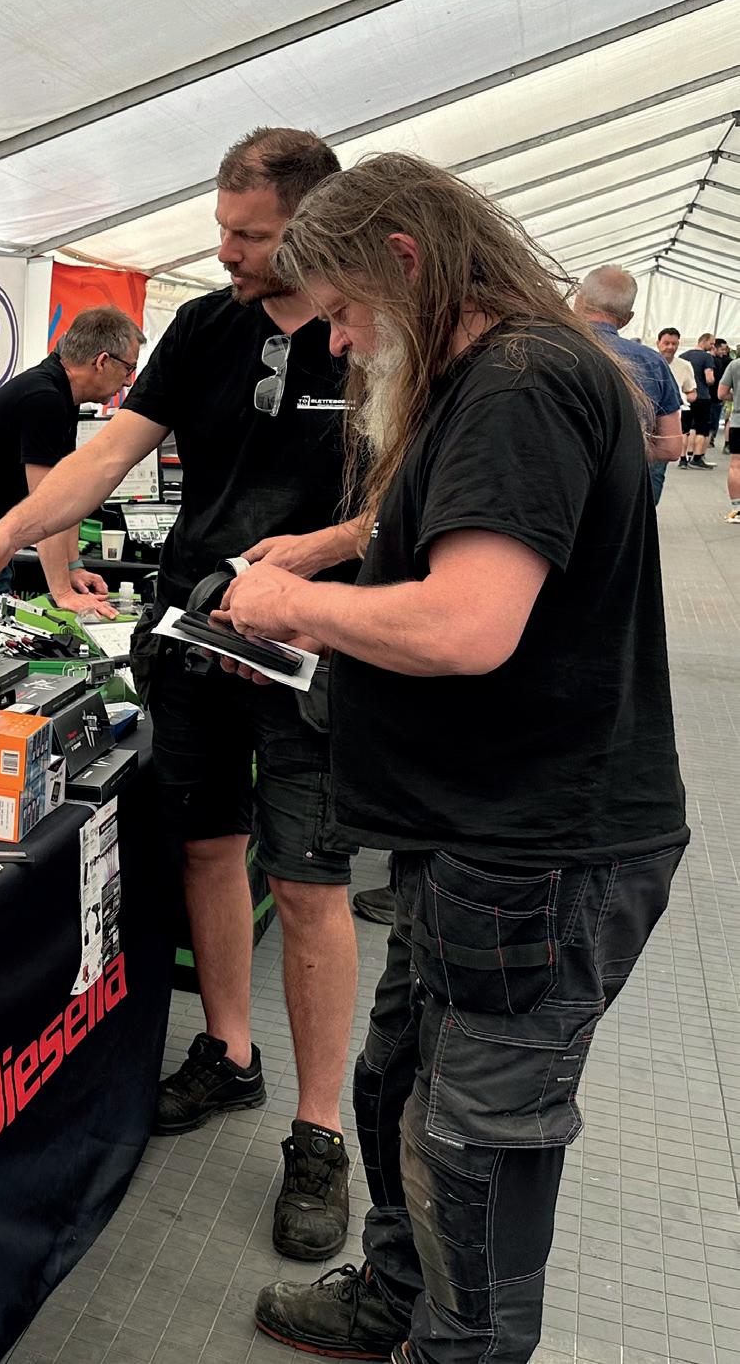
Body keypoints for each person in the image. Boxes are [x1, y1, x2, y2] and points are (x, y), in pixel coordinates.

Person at [211, 153, 686, 1364]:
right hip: (471, 833)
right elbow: (449, 527)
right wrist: (328, 573)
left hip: (541, 850)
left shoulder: (522, 381)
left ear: (406, 261)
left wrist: (293, 608)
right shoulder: (495, 375)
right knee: (397, 1084)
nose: (337, 342)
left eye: (345, 311)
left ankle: (455, 1346)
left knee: (475, 1144)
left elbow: (468, 623)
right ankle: (394, 1297)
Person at [0, 128, 366, 1262]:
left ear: (314, 228)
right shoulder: (205, 327)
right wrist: (4, 534)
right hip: (191, 635)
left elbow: (413, 499)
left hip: (312, 647)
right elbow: (104, 455)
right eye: (221, 228)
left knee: (307, 885)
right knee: (206, 849)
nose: (225, 251)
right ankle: (230, 1052)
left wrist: (318, 559)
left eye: (249, 235)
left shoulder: (373, 336)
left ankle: (320, 1132)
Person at [0, 306, 141, 629]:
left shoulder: (61, 391)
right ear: (102, 361)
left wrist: (73, 567)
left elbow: (68, 492)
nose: (128, 381)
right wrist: (62, 592)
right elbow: (48, 502)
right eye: (128, 368)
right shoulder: (44, 397)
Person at [572, 266, 682, 502]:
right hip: (623, 496)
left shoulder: (546, 349)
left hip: (556, 496)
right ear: (627, 319)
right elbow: (671, 447)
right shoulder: (652, 363)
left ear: (578, 301)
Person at [680, 332, 718, 469]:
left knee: (684, 429)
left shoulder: (683, 356)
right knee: (702, 429)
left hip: (686, 397)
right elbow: (709, 378)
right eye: (711, 343)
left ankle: (682, 459)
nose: (712, 346)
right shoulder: (707, 357)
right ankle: (696, 458)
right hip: (702, 397)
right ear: (704, 340)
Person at [722, 357, 740, 522]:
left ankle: (737, 509)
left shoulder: (735, 365)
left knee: (736, 465)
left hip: (738, 421)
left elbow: (721, 393)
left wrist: (736, 397)